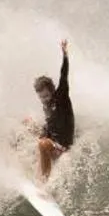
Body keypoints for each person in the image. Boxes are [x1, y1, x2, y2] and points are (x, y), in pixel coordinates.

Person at [31, 39, 74, 181]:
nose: (44, 99)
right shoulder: (46, 105)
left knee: (43, 144)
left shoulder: (60, 97)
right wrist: (43, 134)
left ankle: (45, 181)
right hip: (53, 139)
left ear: (53, 91)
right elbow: (50, 124)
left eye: (46, 96)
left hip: (63, 145)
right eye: (41, 97)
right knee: (28, 123)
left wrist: (65, 55)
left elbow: (64, 76)